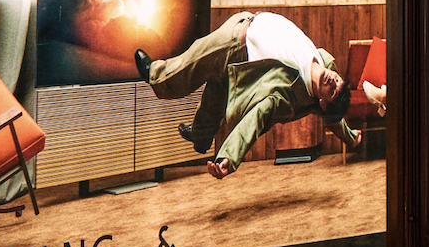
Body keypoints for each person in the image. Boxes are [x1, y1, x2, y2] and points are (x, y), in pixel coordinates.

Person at [135, 11, 361, 179]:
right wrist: (350, 137)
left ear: (322, 101)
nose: (333, 81)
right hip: (245, 20)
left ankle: (156, 75)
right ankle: (200, 135)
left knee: (192, 60)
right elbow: (333, 116)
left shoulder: (288, 93)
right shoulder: (325, 61)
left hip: (235, 43)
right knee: (216, 90)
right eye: (338, 80)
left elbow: (256, 118)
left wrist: (229, 158)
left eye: (332, 90)